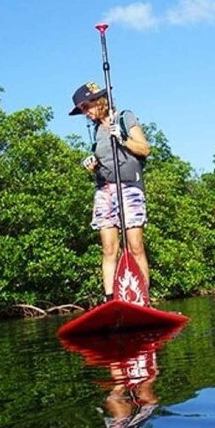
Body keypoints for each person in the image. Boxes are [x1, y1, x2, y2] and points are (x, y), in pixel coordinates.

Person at [70, 81, 151, 302]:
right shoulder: (95, 131)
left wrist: (122, 139)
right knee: (108, 248)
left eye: (87, 107)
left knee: (135, 246)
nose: (86, 113)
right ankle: (110, 299)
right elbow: (102, 160)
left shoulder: (125, 118)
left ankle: (143, 298)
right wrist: (92, 165)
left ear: (99, 101)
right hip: (104, 189)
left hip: (130, 187)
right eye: (82, 110)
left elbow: (144, 149)